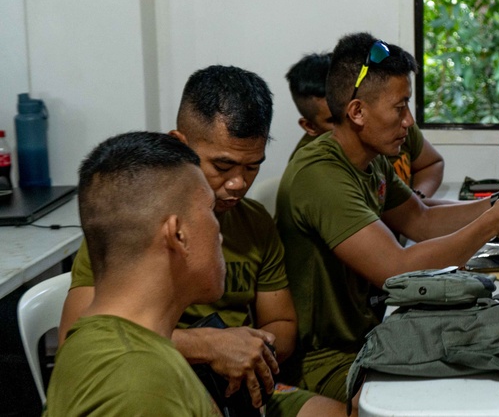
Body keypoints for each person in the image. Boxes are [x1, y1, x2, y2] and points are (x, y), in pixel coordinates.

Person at [274, 32, 499, 403]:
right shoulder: (320, 176)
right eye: (400, 107)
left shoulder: (369, 158)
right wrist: (493, 223)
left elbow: (421, 220)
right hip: (326, 358)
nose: (409, 121)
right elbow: (396, 269)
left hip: (371, 330)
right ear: (357, 112)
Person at [59, 66, 346, 416]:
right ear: (176, 235)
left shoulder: (254, 222)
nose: (238, 184)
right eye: (222, 167)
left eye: (252, 167)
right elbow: (89, 339)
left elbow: (283, 326)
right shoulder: (130, 227)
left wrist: (249, 349)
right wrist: (208, 345)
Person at [45, 131, 224, 416]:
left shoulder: (93, 339)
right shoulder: (139, 384)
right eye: (211, 210)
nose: (220, 233)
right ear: (178, 235)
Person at [285, 51, 446, 201]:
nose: (351, 122)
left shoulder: (396, 125)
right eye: (333, 120)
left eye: (355, 112)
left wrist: (418, 198)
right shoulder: (316, 170)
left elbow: (431, 165)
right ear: (310, 126)